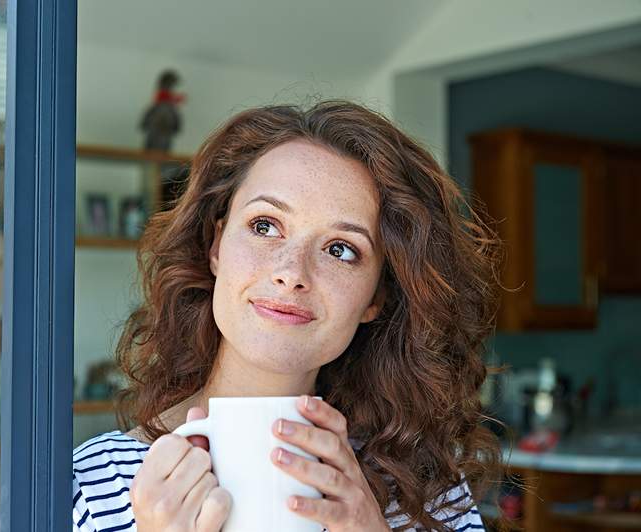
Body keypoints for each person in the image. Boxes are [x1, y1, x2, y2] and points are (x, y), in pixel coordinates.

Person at [73, 100, 504, 531]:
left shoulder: (428, 494)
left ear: (378, 297)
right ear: (217, 245)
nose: (291, 273)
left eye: (341, 250)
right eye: (265, 225)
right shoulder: (91, 484)